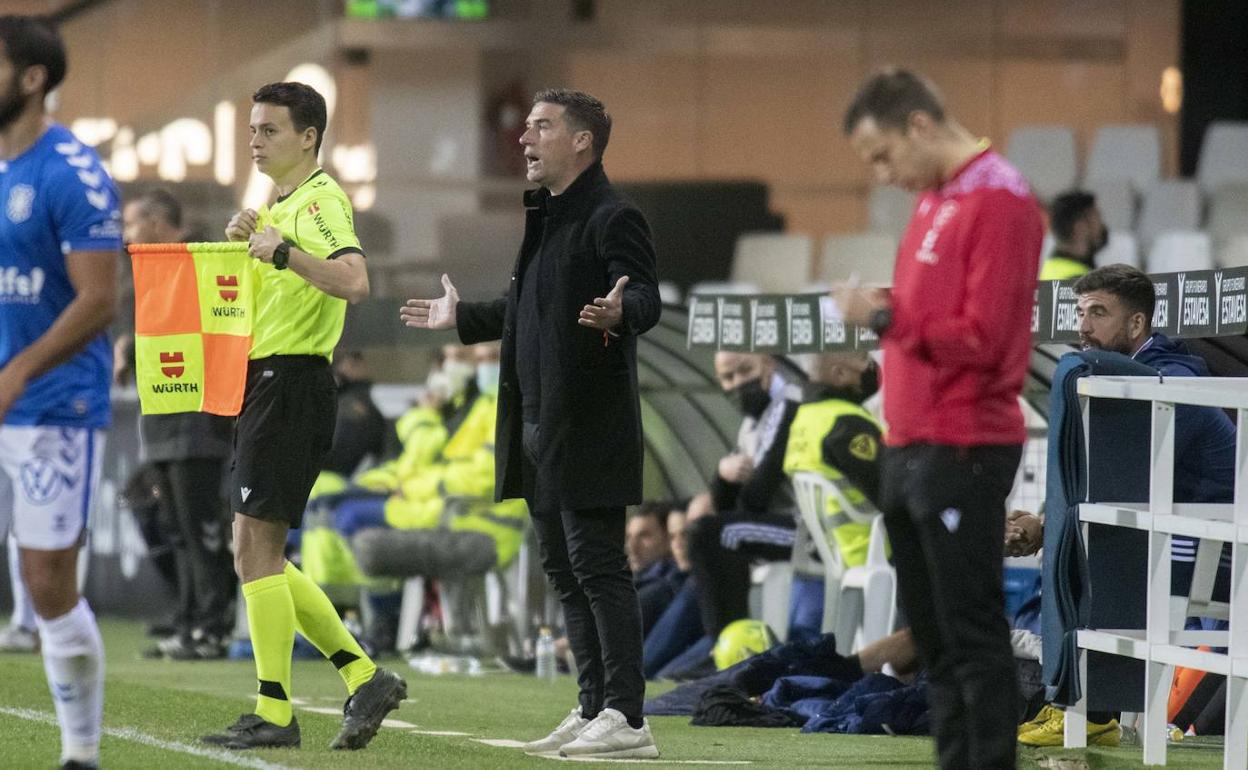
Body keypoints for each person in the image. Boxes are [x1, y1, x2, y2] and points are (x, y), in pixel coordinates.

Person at [400, 88, 661, 759]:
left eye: (541, 127)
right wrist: (461, 319)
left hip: (590, 423)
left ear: (582, 141)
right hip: (539, 425)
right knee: (565, 572)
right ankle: (593, 705)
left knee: (599, 567)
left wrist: (620, 314)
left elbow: (646, 297)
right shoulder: (546, 219)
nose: (524, 138)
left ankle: (628, 718)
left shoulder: (612, 214)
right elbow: (528, 311)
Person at [834, 68, 1044, 770]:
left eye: (882, 155)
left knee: (971, 638)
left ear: (918, 127)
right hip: (912, 445)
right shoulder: (936, 201)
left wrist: (885, 315)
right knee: (936, 643)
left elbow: (983, 337)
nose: (882, 174)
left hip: (964, 446)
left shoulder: (1001, 201)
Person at [200, 81, 405, 751]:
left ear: (308, 137)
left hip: (291, 384)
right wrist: (255, 238)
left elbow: (354, 279)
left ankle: (276, 710)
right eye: (253, 128)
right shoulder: (283, 203)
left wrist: (282, 249)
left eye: (269, 130)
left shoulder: (320, 201)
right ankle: (362, 675)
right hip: (271, 384)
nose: (254, 140)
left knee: (254, 550)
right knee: (254, 550)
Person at [1007, 262, 1236, 746]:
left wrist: (1047, 528)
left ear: (1136, 324)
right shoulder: (1118, 377)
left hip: (1221, 548)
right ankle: (1082, 707)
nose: (1083, 326)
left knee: (1096, 559)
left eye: (1098, 312)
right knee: (1090, 550)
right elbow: (1102, 474)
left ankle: (1091, 711)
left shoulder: (1174, 383)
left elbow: (1122, 475)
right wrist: (1045, 524)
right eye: (1080, 312)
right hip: (1185, 535)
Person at [0, 16, 121, 770]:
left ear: (32, 78)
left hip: (52, 408)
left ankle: (81, 755)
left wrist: (18, 372)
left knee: (48, 588)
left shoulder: (71, 171)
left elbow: (100, 300)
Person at [120, 189, 237, 660]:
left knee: (200, 530)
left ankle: (212, 628)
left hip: (198, 421)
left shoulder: (202, 263)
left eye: (131, 224)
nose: (125, 235)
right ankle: (188, 622)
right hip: (164, 419)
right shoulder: (150, 276)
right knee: (177, 529)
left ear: (153, 223)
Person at [686, 352, 802, 640]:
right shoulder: (751, 422)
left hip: (805, 532)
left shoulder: (789, 403)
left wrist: (729, 480)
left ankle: (727, 643)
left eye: (745, 370)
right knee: (710, 532)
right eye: (727, 377)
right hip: (775, 525)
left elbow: (756, 497)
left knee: (710, 533)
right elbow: (726, 505)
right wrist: (723, 475)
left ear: (768, 363)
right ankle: (728, 645)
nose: (737, 383)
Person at [1038, 190, 1108, 280]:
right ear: (1080, 226)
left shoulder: (1049, 268)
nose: (1101, 226)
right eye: (1097, 218)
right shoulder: (1081, 282)